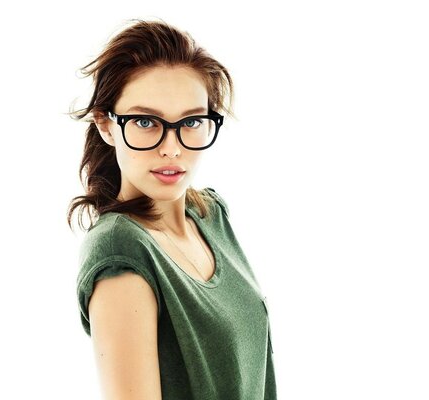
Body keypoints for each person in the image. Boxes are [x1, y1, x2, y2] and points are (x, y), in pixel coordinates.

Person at [67, 18, 277, 400]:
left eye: (191, 121)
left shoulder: (210, 214)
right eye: (146, 122)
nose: (172, 148)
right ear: (106, 125)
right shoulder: (120, 251)